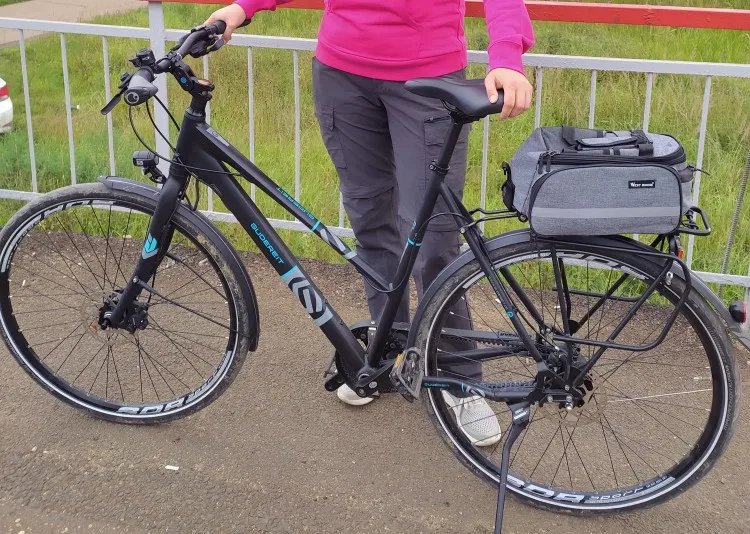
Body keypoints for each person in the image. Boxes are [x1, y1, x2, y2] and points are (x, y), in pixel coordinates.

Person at [206, 0, 534, 447]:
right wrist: (242, 7)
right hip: (341, 75)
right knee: (371, 222)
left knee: (435, 239)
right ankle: (387, 352)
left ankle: (459, 380)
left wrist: (507, 57)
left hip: (428, 77)